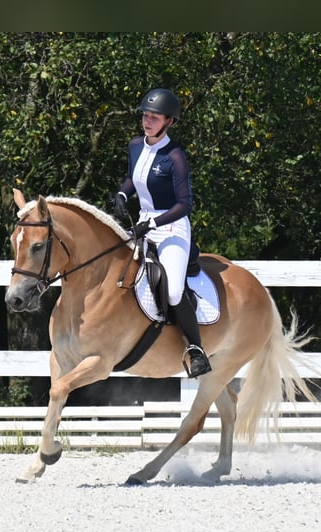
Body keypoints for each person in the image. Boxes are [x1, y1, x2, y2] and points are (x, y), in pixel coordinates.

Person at [113, 88, 212, 378]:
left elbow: (185, 204)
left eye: (154, 118)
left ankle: (196, 350)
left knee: (172, 290)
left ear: (169, 121)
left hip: (171, 227)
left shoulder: (175, 156)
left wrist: (153, 225)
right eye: (145, 115)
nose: (147, 121)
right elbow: (134, 177)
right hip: (142, 223)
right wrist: (122, 192)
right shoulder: (135, 145)